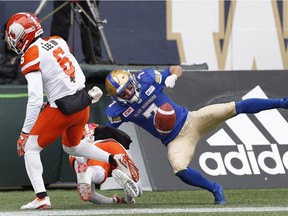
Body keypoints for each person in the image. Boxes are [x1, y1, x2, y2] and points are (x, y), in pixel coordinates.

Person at [5, 12, 138, 210]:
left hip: (62, 108)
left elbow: (34, 99)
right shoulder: (57, 41)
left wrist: (24, 133)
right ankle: (114, 159)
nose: (12, 40)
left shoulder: (30, 55)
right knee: (73, 147)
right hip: (82, 101)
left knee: (30, 148)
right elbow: (72, 72)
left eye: (13, 35)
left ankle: (41, 197)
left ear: (23, 34)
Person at [104, 65, 288, 205]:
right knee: (178, 168)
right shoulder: (117, 110)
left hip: (193, 119)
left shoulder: (146, 78)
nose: (129, 93)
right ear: (116, 97)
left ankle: (282, 102)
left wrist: (173, 76)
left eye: (129, 87)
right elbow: (106, 131)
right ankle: (215, 189)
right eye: (123, 93)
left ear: (132, 80)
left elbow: (176, 68)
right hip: (175, 140)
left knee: (233, 107)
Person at [69, 123, 142, 204]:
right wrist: (128, 200)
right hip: (115, 144)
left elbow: (91, 195)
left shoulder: (73, 147)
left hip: (95, 149)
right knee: (138, 189)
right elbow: (133, 177)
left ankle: (89, 173)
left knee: (99, 173)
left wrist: (113, 201)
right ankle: (128, 199)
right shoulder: (102, 130)